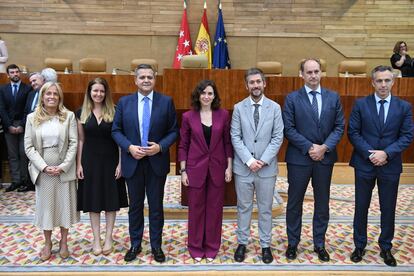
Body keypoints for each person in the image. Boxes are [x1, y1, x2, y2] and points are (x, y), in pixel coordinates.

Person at [112, 64, 179, 263]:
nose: (146, 80)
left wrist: (160, 147)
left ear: (155, 79)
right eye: (142, 77)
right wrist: (129, 148)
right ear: (135, 80)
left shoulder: (166, 102)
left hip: (156, 162)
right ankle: (135, 244)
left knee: (156, 206)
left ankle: (156, 245)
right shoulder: (124, 103)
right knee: (135, 206)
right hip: (133, 162)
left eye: (150, 77)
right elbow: (116, 130)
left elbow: (174, 131)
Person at [348, 65, 413, 267]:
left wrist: (386, 153)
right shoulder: (361, 104)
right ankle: (359, 245)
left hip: (390, 164)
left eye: (387, 80)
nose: (383, 84)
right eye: (379, 80)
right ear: (373, 82)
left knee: (388, 208)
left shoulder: (404, 107)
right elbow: (353, 133)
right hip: (364, 164)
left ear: (393, 82)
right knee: (361, 207)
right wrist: (371, 154)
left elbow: (407, 135)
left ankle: (386, 247)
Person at [283, 58, 345, 262]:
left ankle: (319, 243)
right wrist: (310, 147)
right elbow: (289, 129)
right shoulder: (292, 98)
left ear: (321, 73)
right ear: (301, 74)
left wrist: (324, 147)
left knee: (322, 204)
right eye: (309, 72)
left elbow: (339, 127)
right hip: (299, 158)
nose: (313, 75)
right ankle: (293, 243)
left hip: (324, 159)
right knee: (294, 203)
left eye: (316, 71)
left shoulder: (333, 97)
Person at [231, 68, 284, 264]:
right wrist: (249, 160)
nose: (255, 85)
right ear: (246, 85)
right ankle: (242, 243)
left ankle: (265, 245)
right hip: (244, 168)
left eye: (258, 82)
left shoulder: (275, 108)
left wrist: (263, 160)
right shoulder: (238, 108)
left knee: (265, 208)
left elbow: (278, 137)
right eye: (251, 82)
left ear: (264, 84)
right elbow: (235, 137)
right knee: (243, 207)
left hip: (266, 168)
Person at [178, 80, 233, 262]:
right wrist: (183, 170)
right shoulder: (188, 117)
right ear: (198, 95)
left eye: (210, 93)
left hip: (218, 168)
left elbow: (227, 142)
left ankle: (211, 246)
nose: (207, 96)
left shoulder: (223, 115)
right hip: (195, 169)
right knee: (196, 209)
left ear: (214, 96)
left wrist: (229, 166)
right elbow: (183, 145)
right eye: (203, 93)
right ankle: (195, 246)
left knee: (215, 209)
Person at [24, 82, 80, 261]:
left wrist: (64, 166)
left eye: (55, 94)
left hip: (64, 168)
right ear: (42, 96)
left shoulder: (68, 116)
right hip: (43, 169)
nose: (52, 97)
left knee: (65, 205)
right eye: (48, 94)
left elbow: (74, 143)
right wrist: (44, 167)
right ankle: (48, 243)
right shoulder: (32, 118)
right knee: (46, 207)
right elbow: (28, 146)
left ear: (60, 97)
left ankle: (64, 242)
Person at [76, 77, 128, 256]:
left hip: (111, 161)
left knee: (111, 202)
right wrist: (78, 165)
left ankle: (108, 238)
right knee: (93, 202)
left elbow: (120, 141)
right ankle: (96, 239)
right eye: (95, 90)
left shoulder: (115, 111)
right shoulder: (81, 112)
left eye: (101, 91)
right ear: (89, 92)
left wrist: (121, 164)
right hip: (89, 162)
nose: (98, 94)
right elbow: (81, 140)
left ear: (106, 93)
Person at [0, 64, 32, 192]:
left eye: (17, 72)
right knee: (12, 155)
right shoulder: (2, 89)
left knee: (24, 153)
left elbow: (28, 109)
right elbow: (1, 109)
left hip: (24, 125)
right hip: (9, 125)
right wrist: (9, 126)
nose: (15, 74)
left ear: (20, 73)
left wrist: (22, 125)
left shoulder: (27, 89)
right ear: (8, 75)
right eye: (12, 72)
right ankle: (16, 181)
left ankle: (24, 181)